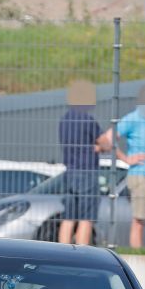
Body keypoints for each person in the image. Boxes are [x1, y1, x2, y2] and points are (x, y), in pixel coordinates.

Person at [98, 84, 145, 248]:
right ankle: (136, 259)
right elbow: (106, 140)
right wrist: (126, 159)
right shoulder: (132, 118)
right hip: (140, 177)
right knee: (139, 222)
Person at [57, 80, 103, 245]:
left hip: (69, 171)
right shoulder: (87, 120)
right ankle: (83, 252)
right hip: (87, 171)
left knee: (68, 217)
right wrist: (99, 147)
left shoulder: (64, 120)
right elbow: (102, 142)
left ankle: (62, 250)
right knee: (86, 218)